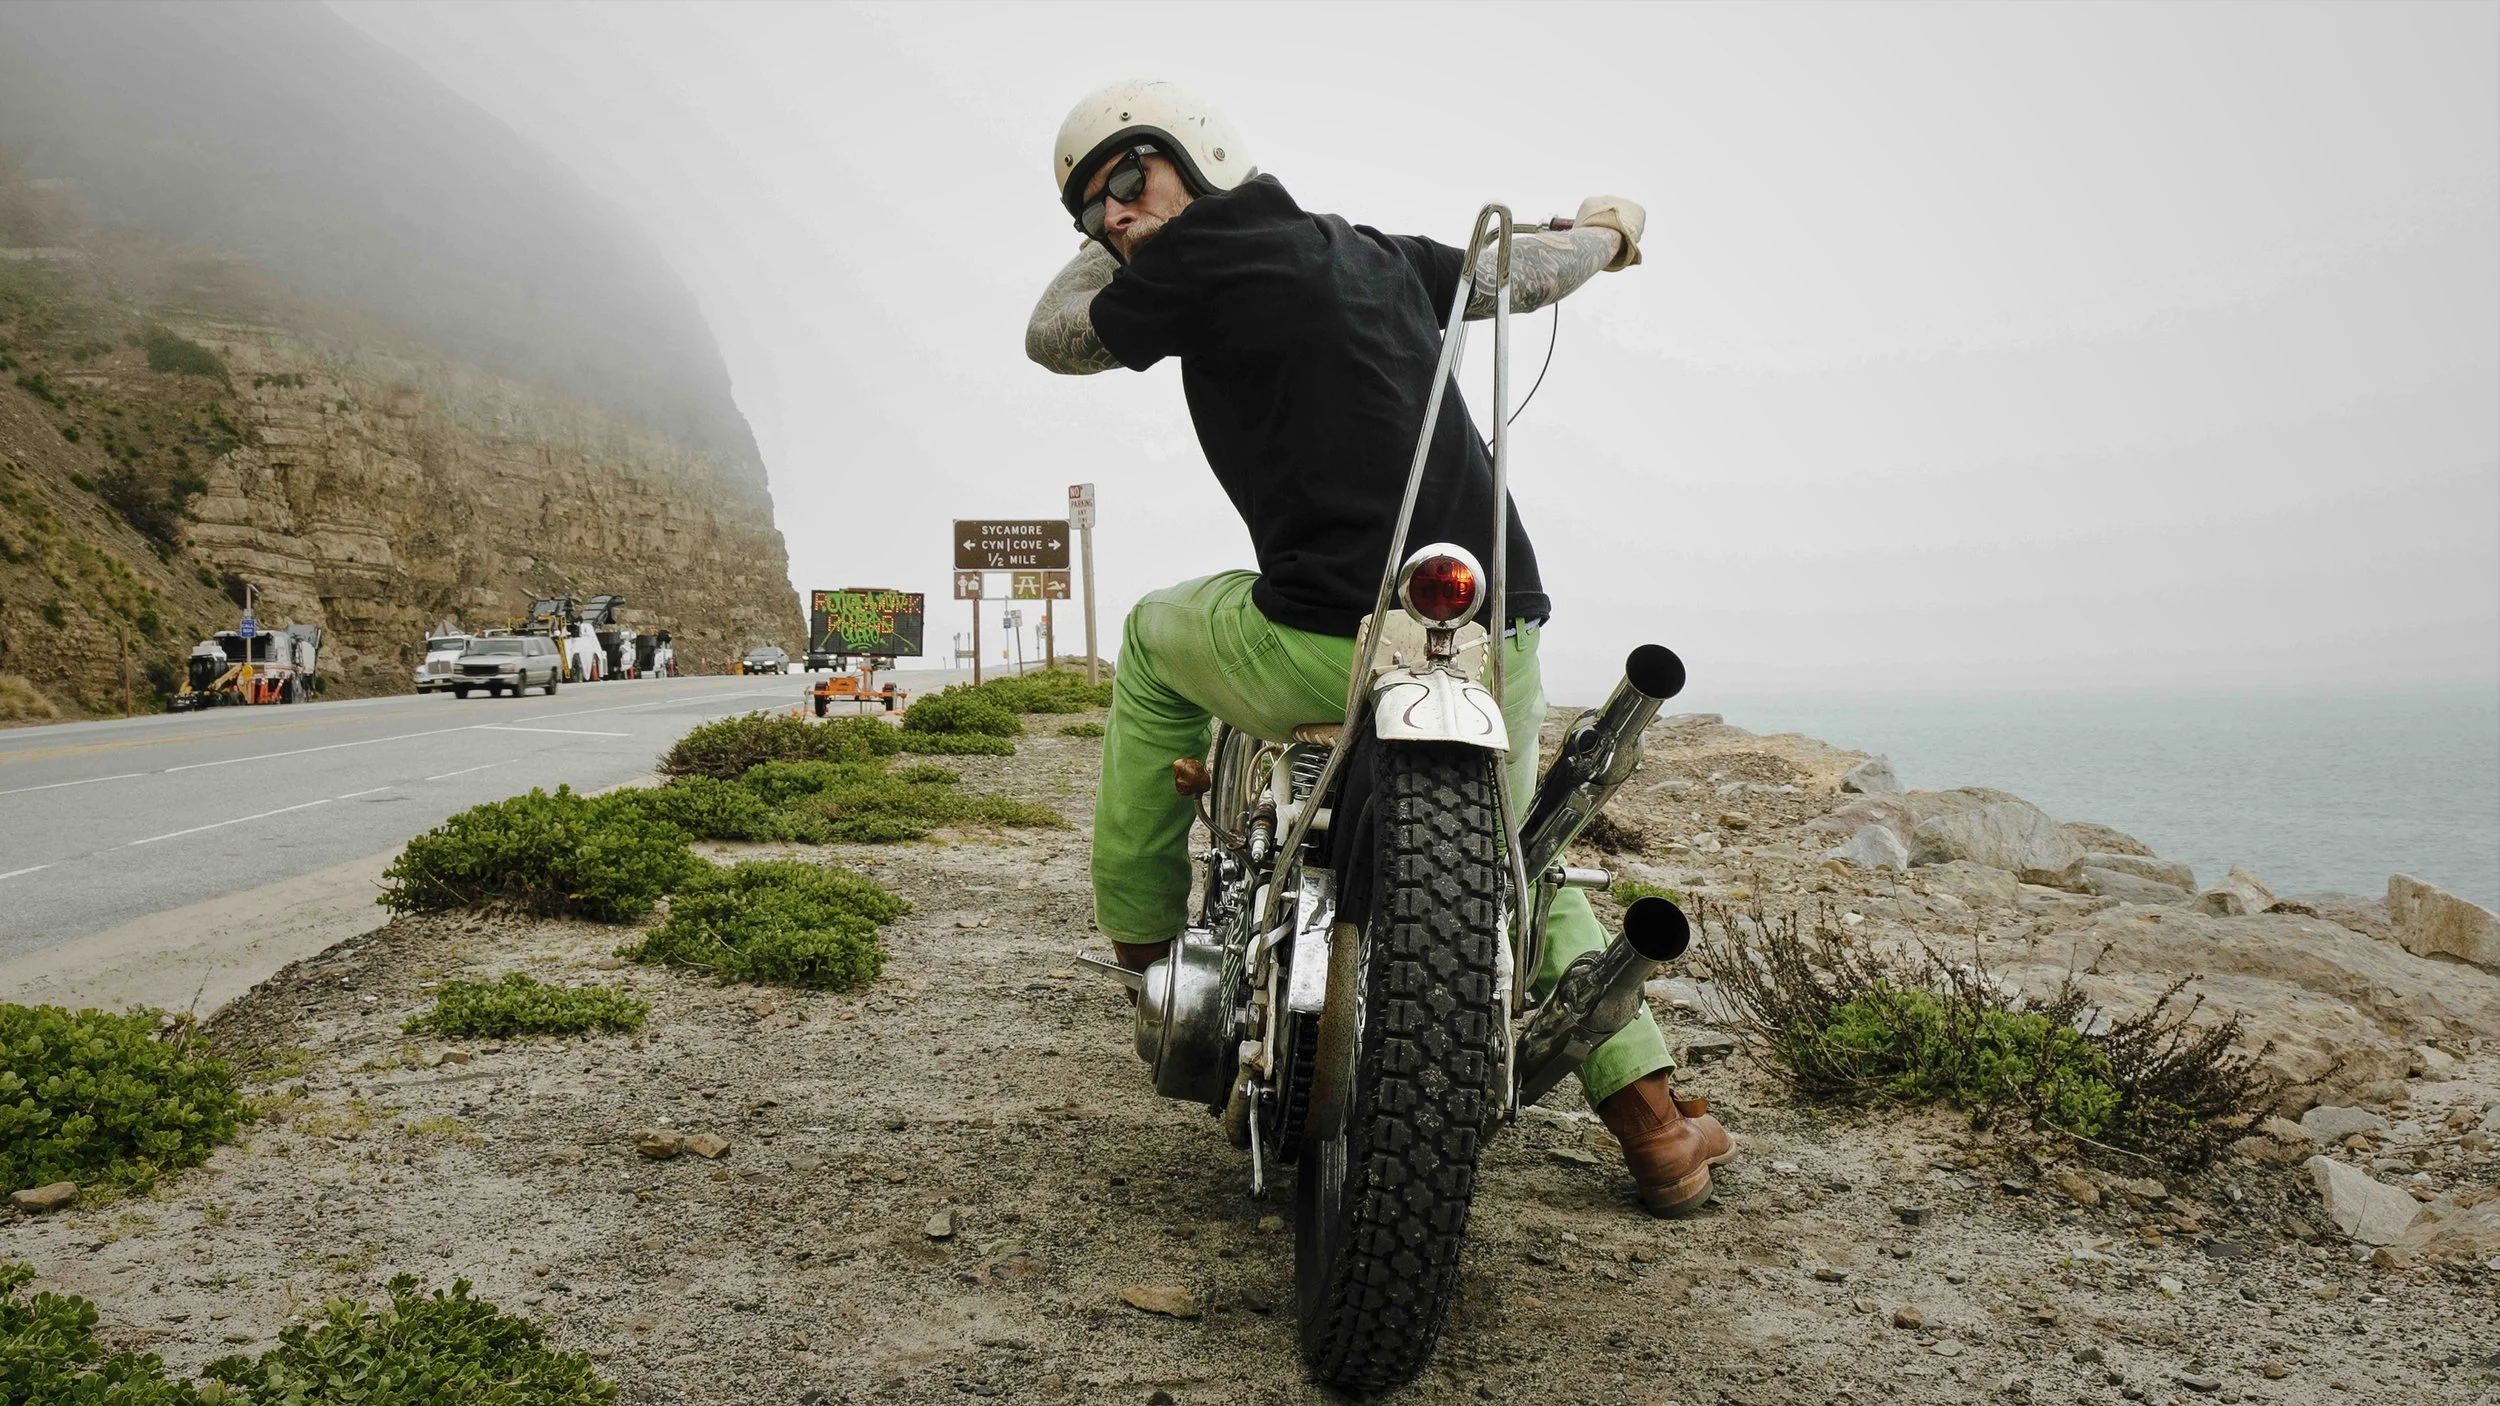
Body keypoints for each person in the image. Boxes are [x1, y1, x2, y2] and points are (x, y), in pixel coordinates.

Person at [1024, 79, 1734, 1217]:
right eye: (1088, 210)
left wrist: (1112, 247)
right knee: (1514, 861)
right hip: (1494, 630)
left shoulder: (1193, 255)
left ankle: (1149, 954)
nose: (1111, 214)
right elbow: (1525, 273)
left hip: (1325, 641)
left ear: (1199, 159)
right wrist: (1609, 231)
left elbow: (1053, 338)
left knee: (1152, 637)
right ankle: (1656, 1128)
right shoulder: (1380, 256)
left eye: (1126, 179)